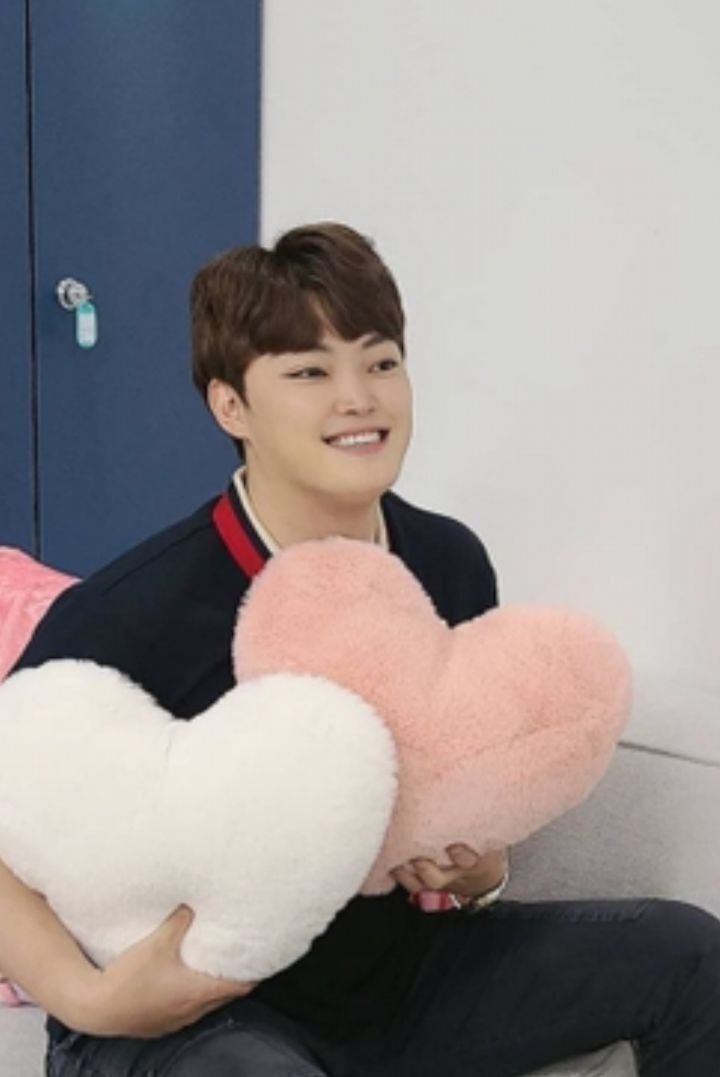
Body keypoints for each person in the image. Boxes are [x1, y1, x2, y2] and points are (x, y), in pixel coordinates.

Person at [3, 223, 720, 1077]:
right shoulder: (134, 608)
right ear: (231, 406)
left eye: (380, 362)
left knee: (689, 954)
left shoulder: (447, 560)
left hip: (397, 985)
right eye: (309, 372)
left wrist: (479, 868)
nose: (358, 397)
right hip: (188, 1014)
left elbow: (470, 782)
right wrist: (92, 999)